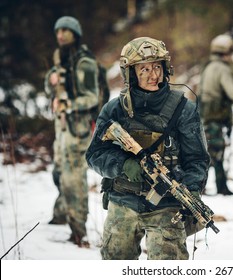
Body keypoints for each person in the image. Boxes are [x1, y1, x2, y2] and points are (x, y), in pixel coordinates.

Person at [85, 37, 210, 260]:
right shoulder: (115, 109)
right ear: (130, 73)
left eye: (157, 67)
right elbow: (94, 154)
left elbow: (197, 160)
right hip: (123, 202)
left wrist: (191, 190)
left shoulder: (184, 110)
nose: (153, 75)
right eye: (144, 69)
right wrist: (124, 165)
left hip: (167, 207)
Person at [44, 16, 99, 247]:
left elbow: (92, 97)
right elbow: (50, 89)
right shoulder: (60, 58)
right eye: (58, 30)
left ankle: (78, 230)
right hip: (61, 127)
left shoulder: (85, 63)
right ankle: (61, 213)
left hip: (77, 129)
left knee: (73, 179)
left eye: (66, 30)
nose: (60, 34)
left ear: (75, 33)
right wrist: (51, 80)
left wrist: (68, 105)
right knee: (58, 173)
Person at [199, 34, 233, 196]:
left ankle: (203, 186)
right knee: (217, 154)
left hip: (205, 117)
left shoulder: (207, 67)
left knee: (208, 152)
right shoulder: (222, 69)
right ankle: (221, 188)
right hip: (216, 118)